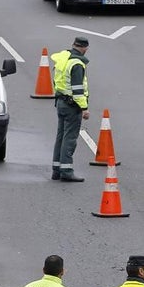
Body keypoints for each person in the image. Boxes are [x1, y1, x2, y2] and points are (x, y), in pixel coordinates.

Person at [49, 36, 90, 182]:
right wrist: (84, 108)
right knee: (70, 138)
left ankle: (56, 170)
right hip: (72, 105)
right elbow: (78, 89)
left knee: (60, 136)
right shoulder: (77, 64)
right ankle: (66, 170)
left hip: (61, 101)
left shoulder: (64, 57)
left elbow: (58, 80)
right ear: (85, 48)